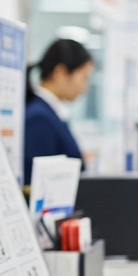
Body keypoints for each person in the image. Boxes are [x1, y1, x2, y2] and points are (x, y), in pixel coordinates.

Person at [23, 39, 93, 184]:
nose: (85, 87)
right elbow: (37, 180)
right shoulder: (39, 117)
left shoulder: (49, 111)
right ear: (60, 73)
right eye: (84, 78)